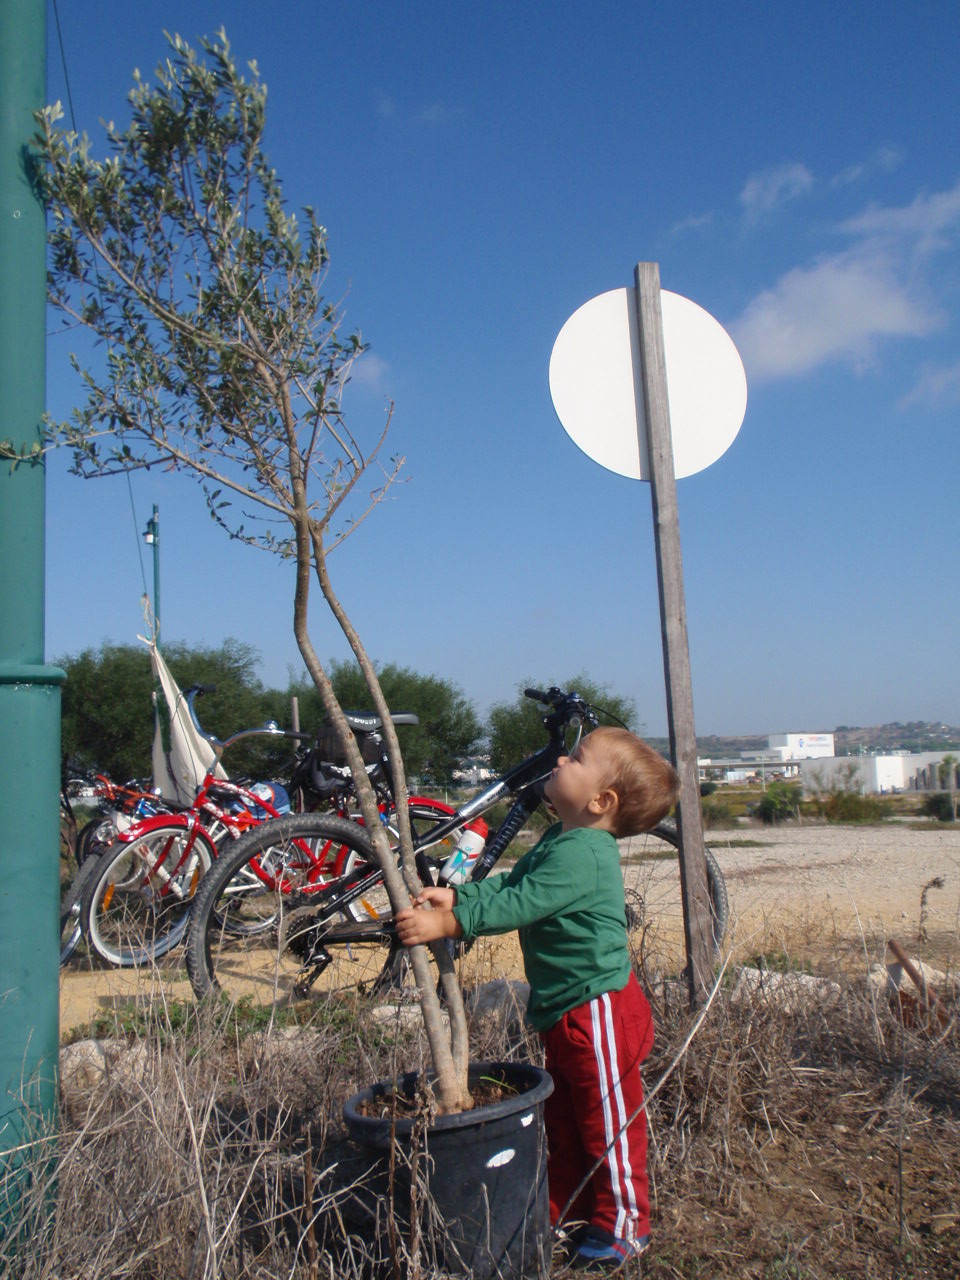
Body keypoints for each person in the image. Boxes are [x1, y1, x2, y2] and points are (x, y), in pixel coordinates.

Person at [395, 726, 680, 1271]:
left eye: (576, 759)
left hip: (599, 1010)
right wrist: (459, 893)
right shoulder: (560, 840)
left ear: (602, 801)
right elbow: (508, 887)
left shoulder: (586, 853)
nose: (562, 761)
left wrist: (450, 922)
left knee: (606, 1121)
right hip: (567, 1010)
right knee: (567, 1118)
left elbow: (521, 906)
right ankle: (571, 1210)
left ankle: (625, 1224)